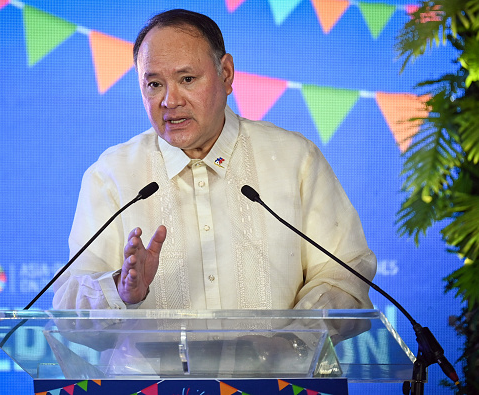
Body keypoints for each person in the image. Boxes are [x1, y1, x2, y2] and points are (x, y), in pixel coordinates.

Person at [52, 9, 376, 311]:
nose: (170, 100)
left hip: (277, 373)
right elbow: (67, 300)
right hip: (151, 374)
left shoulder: (294, 160)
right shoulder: (112, 175)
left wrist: (291, 342)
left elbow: (344, 274)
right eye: (154, 84)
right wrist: (121, 291)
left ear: (226, 74)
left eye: (187, 79)